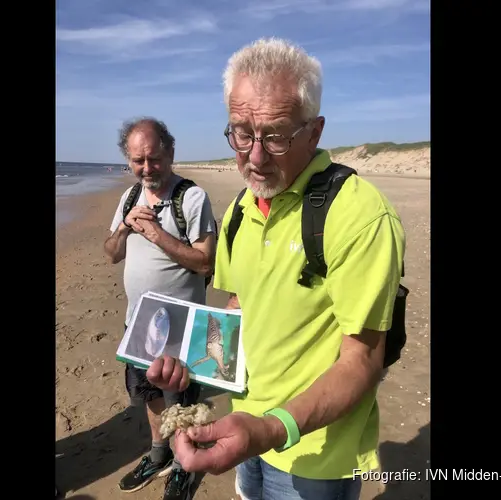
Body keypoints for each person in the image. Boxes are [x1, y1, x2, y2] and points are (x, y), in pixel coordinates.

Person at [145, 38, 406, 500]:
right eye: (242, 133)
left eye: (277, 135)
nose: (256, 156)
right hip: (245, 427)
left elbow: (363, 360)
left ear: (316, 131)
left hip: (314, 451)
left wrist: (270, 428)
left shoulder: (358, 216)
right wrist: (195, 364)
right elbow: (240, 306)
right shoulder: (243, 209)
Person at [104, 117, 217, 500]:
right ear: (128, 160)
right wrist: (124, 229)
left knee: (183, 403)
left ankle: (184, 468)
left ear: (170, 153)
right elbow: (111, 254)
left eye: (154, 158)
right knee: (149, 394)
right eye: (138, 161)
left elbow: (205, 263)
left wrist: (154, 232)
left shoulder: (192, 198)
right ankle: (159, 454)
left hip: (182, 328)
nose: (147, 168)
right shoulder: (130, 197)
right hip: (137, 325)